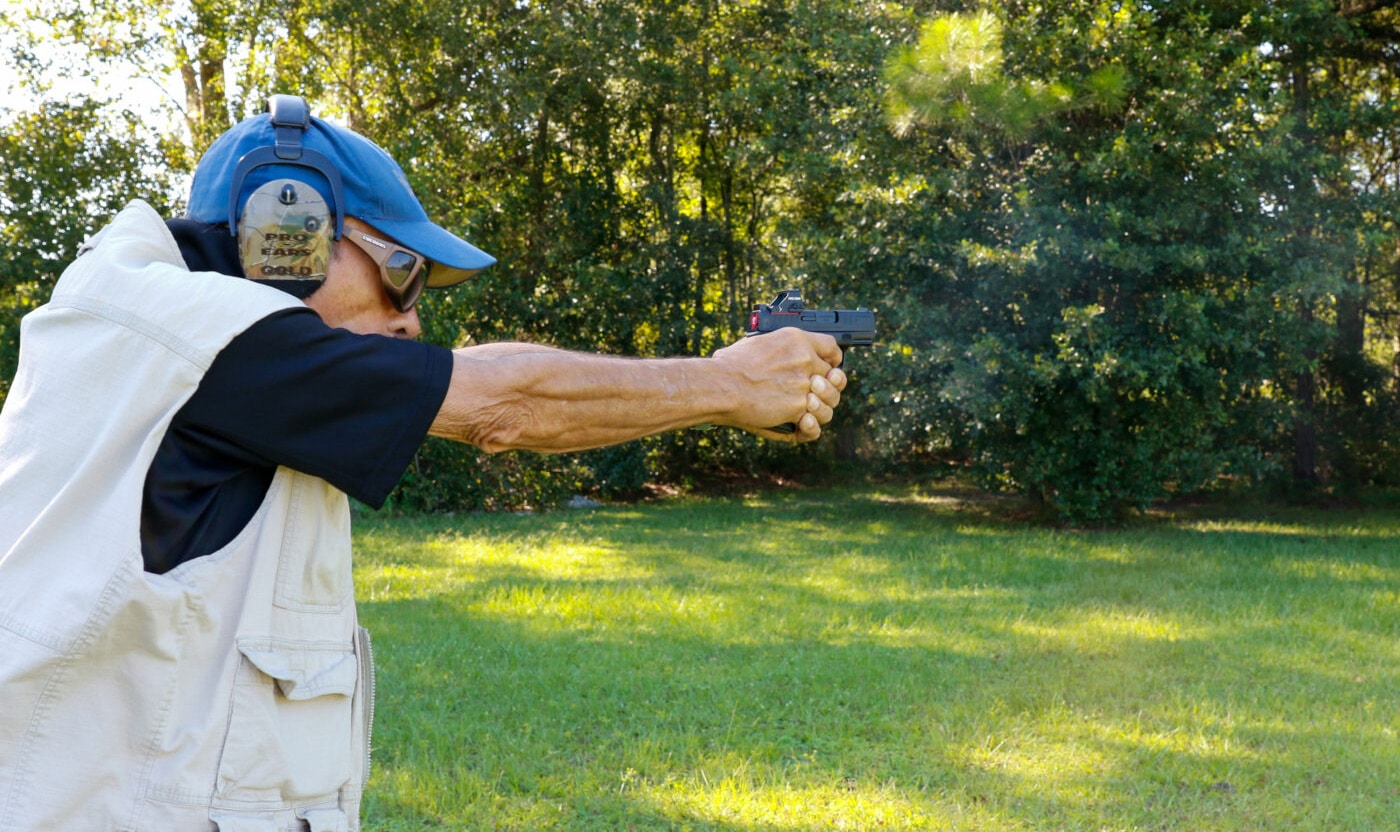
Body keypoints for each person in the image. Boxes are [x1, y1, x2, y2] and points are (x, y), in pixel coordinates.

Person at [0, 95, 845, 831]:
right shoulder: (212, 338)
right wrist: (733, 383)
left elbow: (491, 385)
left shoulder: (155, 326)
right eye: (403, 275)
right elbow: (506, 405)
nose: (412, 321)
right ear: (283, 234)